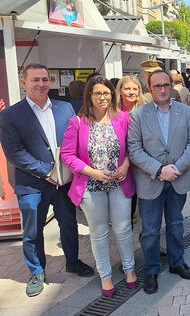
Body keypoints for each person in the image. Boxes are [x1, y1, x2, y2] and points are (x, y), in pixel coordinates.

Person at [0, 64, 94, 298]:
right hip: (32, 184)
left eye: (44, 79)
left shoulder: (64, 109)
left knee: (69, 224)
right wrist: (47, 171)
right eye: (35, 80)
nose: (41, 84)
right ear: (24, 83)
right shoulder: (10, 115)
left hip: (63, 183)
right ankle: (37, 272)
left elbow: (76, 141)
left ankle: (72, 261)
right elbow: (14, 152)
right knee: (32, 231)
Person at [61, 76, 136, 297]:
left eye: (106, 93)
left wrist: (125, 164)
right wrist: (92, 172)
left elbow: (133, 146)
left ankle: (130, 270)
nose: (103, 97)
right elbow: (67, 154)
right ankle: (105, 276)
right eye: (97, 93)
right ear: (89, 96)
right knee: (99, 232)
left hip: (120, 183)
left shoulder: (122, 118)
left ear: (112, 95)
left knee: (123, 229)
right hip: (91, 187)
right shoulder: (78, 122)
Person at [127, 70, 190, 294]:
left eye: (166, 85)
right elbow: (134, 149)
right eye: (157, 86)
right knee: (150, 230)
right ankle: (151, 270)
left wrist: (176, 168)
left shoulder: (186, 111)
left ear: (171, 86)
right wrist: (159, 170)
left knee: (176, 224)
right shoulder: (138, 115)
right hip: (151, 180)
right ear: (149, 88)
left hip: (178, 178)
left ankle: (177, 262)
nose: (162, 89)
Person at [116, 75, 146, 223]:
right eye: (127, 88)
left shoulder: (146, 108)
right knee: (127, 201)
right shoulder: (113, 111)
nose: (131, 92)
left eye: (135, 88)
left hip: (142, 161)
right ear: (120, 90)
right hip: (123, 163)